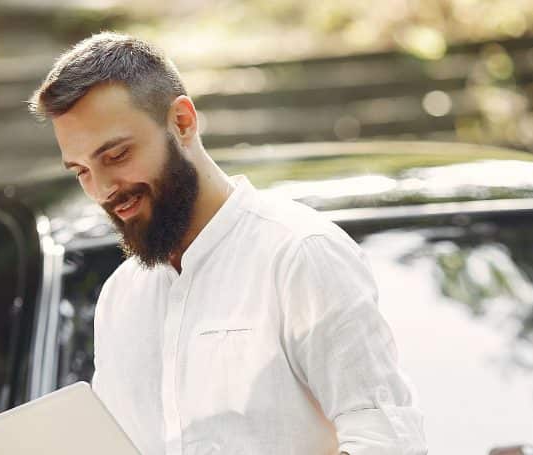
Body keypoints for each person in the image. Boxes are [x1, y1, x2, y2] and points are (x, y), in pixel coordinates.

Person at [28, 31, 427, 455]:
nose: (103, 188)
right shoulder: (120, 297)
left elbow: (387, 439)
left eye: (116, 155)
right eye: (81, 171)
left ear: (181, 122)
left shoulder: (299, 254)